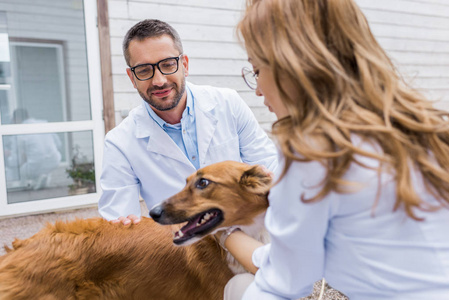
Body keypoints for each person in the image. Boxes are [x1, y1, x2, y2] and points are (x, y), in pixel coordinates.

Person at [217, 0, 449, 299]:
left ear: (293, 66)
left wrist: (225, 234)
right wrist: (228, 235)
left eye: (257, 69)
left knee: (241, 289)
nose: (258, 89)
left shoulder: (313, 154)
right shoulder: (422, 126)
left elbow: (283, 282)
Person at [98, 19, 278, 223]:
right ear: (132, 77)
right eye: (144, 70)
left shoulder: (228, 103)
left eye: (167, 65)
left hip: (245, 234)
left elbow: (270, 172)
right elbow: (119, 220)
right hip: (179, 248)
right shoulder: (119, 142)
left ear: (184, 65)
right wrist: (125, 224)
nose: (159, 81)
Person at [4, 108, 62, 190]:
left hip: (36, 164)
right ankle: (42, 178)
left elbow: (16, 160)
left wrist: (8, 157)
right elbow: (58, 144)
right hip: (55, 160)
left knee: (22, 171)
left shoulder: (18, 132)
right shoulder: (43, 123)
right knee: (38, 164)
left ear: (16, 119)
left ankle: (25, 187)